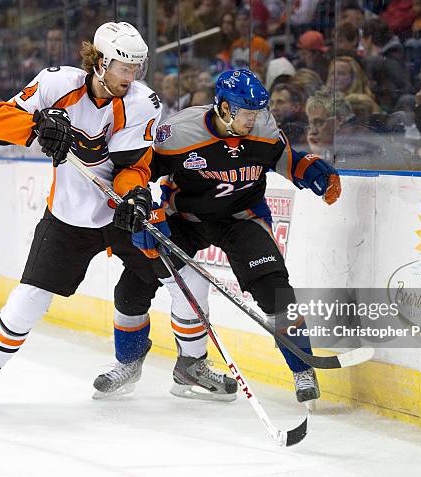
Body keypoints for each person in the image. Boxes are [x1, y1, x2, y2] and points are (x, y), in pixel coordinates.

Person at [94, 69, 341, 405]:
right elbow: (137, 172)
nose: (254, 120)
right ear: (224, 108)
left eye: (257, 112)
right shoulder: (179, 133)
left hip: (241, 218)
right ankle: (129, 363)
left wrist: (310, 169)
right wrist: (146, 207)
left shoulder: (264, 128)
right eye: (246, 113)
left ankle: (302, 370)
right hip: (182, 219)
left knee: (275, 291)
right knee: (134, 285)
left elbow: (287, 161)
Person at [0, 21, 165, 406]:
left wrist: (134, 195)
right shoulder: (56, 85)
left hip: (119, 214)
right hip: (69, 216)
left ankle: (171, 363)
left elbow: (133, 166)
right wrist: (37, 125)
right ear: (100, 62)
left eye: (137, 68)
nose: (131, 76)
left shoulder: (141, 103)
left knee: (171, 277)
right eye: (124, 67)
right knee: (31, 297)